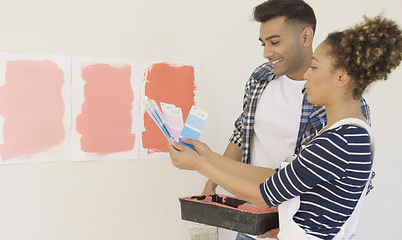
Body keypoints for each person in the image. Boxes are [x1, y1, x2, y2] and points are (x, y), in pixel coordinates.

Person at [169, 15, 402, 240]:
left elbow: (265, 194)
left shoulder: (336, 143)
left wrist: (200, 165)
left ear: (341, 77)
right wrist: (209, 157)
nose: (307, 76)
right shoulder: (350, 134)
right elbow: (279, 178)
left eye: (315, 68)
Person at [202, 0, 370, 239]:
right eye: (263, 43)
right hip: (252, 219)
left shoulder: (342, 107)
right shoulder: (260, 78)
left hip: (289, 227)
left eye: (275, 41)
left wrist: (292, 227)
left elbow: (350, 184)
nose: (267, 52)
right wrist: (212, 181)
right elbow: (242, 133)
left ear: (306, 36)